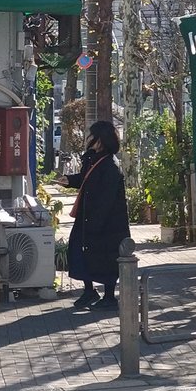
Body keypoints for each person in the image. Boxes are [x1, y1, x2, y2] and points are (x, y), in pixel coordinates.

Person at [55, 120, 132, 311]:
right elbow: (86, 179)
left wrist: (95, 223)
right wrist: (69, 180)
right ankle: (89, 290)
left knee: (106, 258)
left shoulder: (110, 165)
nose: (88, 138)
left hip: (107, 223)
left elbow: (106, 199)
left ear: (101, 140)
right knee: (79, 251)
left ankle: (109, 296)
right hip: (88, 218)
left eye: (92, 135)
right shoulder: (93, 159)